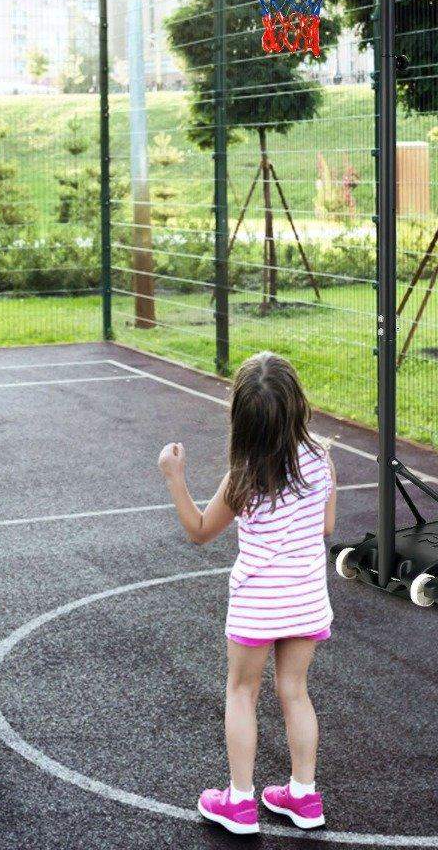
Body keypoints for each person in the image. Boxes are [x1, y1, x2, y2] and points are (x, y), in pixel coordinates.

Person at [158, 351, 336, 834]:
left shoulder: (244, 476)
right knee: (295, 692)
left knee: (241, 691)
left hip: (258, 603)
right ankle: (304, 794)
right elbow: (326, 524)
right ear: (298, 405)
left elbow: (198, 530)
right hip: (305, 598)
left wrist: (175, 478)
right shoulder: (321, 459)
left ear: (242, 418)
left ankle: (239, 802)